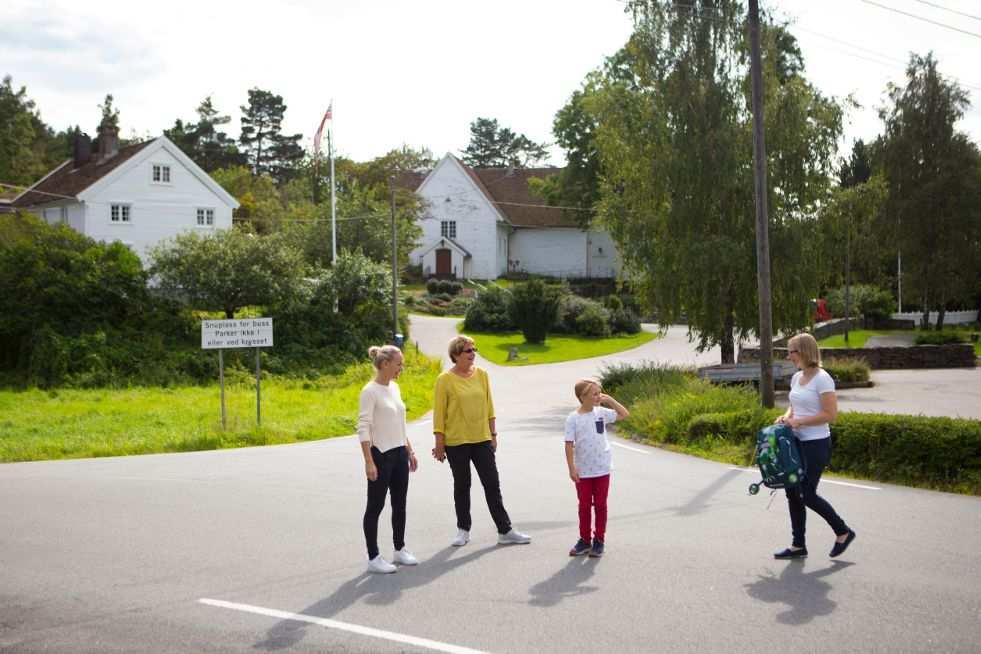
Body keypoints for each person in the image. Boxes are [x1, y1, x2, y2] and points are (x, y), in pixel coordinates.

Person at [432, 335, 531, 547]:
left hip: (482, 438)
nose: (473, 353)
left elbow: (489, 406)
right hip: (456, 441)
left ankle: (505, 530)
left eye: (474, 349)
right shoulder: (444, 380)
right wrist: (439, 444)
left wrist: (493, 435)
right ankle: (463, 530)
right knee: (462, 485)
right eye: (468, 350)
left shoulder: (482, 375)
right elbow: (439, 415)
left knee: (492, 484)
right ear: (456, 355)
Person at [773, 333, 856, 560]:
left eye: (792, 351)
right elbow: (793, 407)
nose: (789, 356)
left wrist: (800, 421)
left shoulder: (823, 379)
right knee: (792, 493)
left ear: (805, 351)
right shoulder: (797, 377)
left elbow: (830, 414)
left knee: (806, 494)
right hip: (796, 442)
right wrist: (785, 416)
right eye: (788, 352)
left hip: (816, 444)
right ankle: (798, 545)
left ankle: (843, 531)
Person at [357, 345, 419, 574]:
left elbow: (400, 424)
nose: (401, 368)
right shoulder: (369, 391)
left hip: (400, 453)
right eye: (398, 364)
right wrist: (368, 461)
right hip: (380, 455)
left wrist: (409, 451)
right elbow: (363, 427)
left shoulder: (395, 388)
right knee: (375, 506)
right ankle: (373, 557)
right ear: (385, 364)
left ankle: (399, 549)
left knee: (399, 504)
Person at [565, 378, 629, 558]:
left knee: (600, 505)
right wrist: (572, 468)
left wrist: (610, 401)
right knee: (584, 506)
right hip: (583, 470)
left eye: (599, 392)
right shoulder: (573, 418)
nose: (598, 396)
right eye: (594, 393)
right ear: (582, 397)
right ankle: (584, 540)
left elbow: (624, 414)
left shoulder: (601, 412)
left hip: (602, 468)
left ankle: (599, 540)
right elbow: (569, 445)